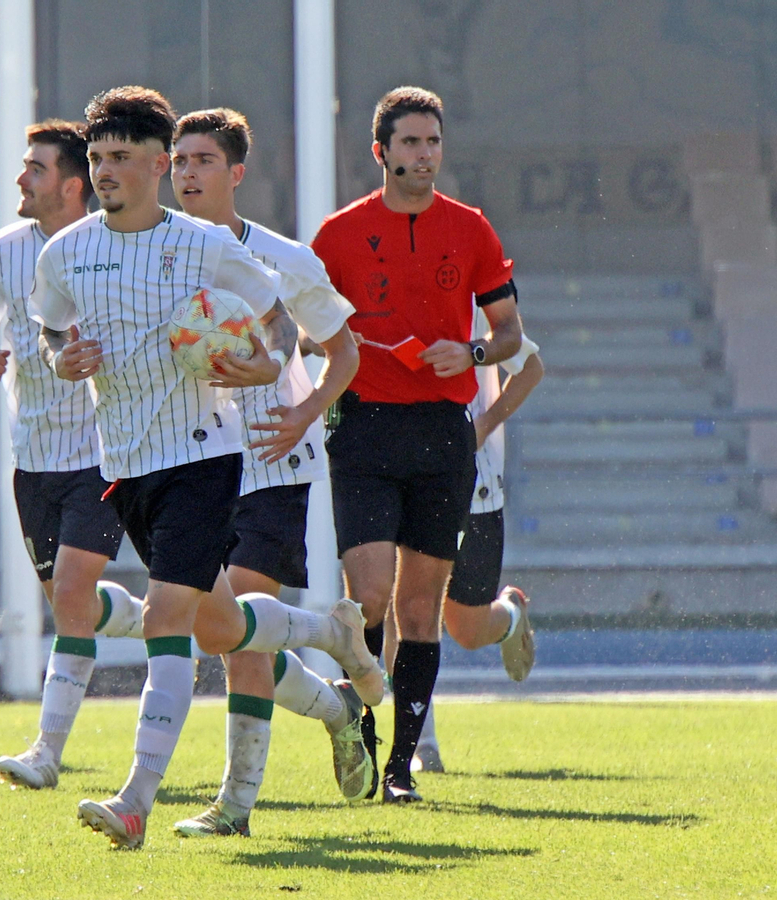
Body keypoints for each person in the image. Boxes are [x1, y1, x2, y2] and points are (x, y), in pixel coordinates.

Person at [30, 86, 381, 850]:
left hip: (208, 454)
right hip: (125, 464)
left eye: (121, 157)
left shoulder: (212, 248)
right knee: (222, 628)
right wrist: (66, 361)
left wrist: (264, 373)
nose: (104, 171)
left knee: (166, 620)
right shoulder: (65, 251)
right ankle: (332, 644)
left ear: (155, 166)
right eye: (96, 159)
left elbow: (278, 326)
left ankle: (136, 802)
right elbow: (52, 332)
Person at [165, 108, 376, 837]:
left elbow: (343, 352)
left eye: (202, 161)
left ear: (235, 173)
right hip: (187, 463)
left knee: (241, 639)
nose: (187, 173)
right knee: (226, 633)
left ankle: (235, 806)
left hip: (270, 461)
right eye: (179, 160)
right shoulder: (156, 252)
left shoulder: (289, 259)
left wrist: (306, 410)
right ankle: (337, 695)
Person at [311, 86, 525, 803]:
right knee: (367, 597)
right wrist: (332, 338)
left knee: (419, 611)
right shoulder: (337, 234)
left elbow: (509, 338)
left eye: (432, 142)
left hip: (442, 432)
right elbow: (306, 330)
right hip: (363, 427)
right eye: (410, 143)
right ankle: (361, 744)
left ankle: (400, 767)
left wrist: (467, 353)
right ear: (381, 152)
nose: (424, 154)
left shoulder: (471, 229)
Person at [0, 120, 147, 788]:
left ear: (72, 185)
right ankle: (146, 620)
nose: (19, 178)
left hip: (103, 453)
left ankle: (45, 752)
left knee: (67, 595)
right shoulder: (1, 251)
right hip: (31, 459)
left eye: (34, 168)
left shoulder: (109, 248)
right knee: (75, 605)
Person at [413, 306, 543, 773]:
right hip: (402, 479)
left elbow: (531, 367)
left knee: (465, 631)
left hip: (475, 489)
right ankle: (420, 743)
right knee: (407, 608)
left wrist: (482, 428)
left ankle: (509, 615)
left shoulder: (469, 307)